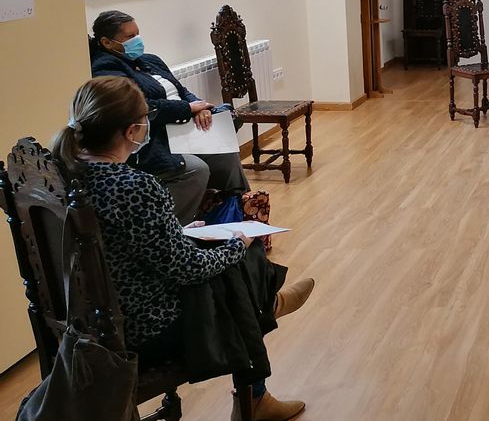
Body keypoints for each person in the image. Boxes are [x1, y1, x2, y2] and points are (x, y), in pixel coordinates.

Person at [50, 76, 314, 420]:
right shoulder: (135, 186)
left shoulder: (64, 173)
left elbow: (121, 242)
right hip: (141, 327)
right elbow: (186, 268)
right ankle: (264, 319)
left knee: (220, 253)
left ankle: (264, 307)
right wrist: (237, 243)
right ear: (133, 131)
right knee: (237, 265)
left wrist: (175, 230)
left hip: (82, 318)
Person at [89, 10, 251, 224]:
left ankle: (239, 213)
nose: (137, 40)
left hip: (188, 130)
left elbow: (183, 91)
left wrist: (200, 107)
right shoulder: (106, 68)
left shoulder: (150, 60)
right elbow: (141, 107)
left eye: (138, 34)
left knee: (225, 154)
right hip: (156, 140)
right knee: (197, 169)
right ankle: (177, 230)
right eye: (129, 37)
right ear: (107, 43)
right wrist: (187, 109)